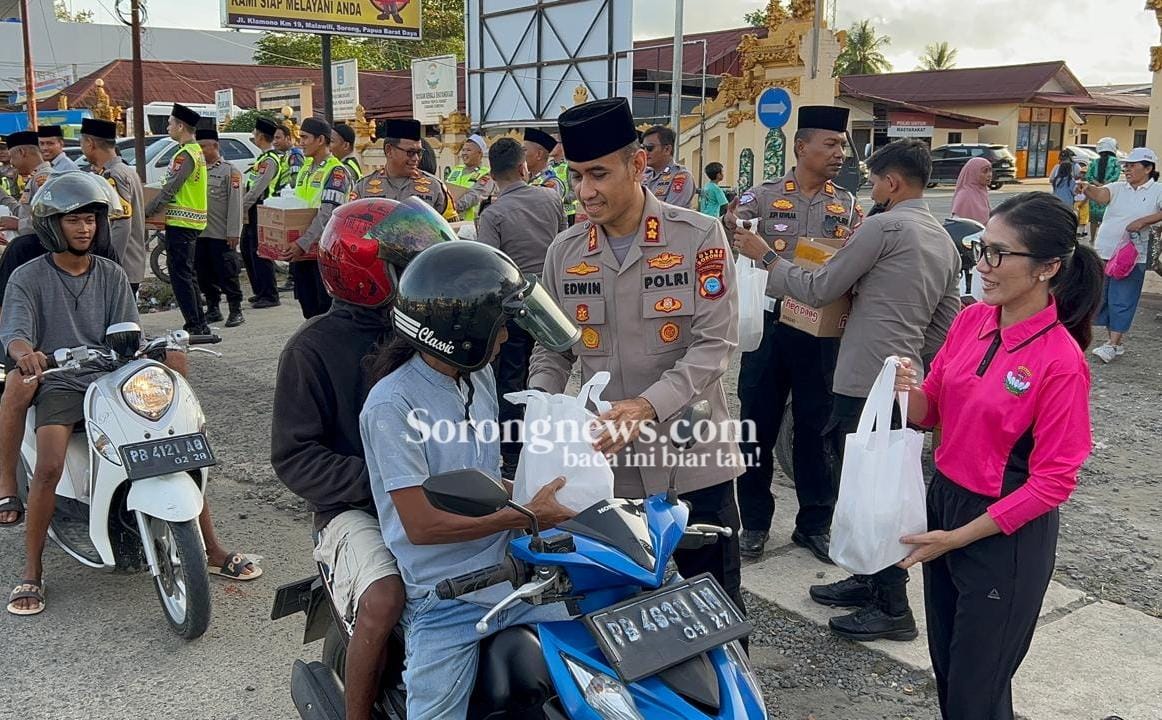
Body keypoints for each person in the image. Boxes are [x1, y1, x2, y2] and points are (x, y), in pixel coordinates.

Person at [733, 138, 961, 641]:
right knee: (879, 481)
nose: (871, 189)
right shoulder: (942, 239)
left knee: (867, 487)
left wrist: (765, 256)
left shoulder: (882, 226)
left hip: (863, 377)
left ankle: (892, 605)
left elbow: (820, 288)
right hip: (904, 381)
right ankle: (868, 579)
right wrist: (907, 361)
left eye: (875, 181)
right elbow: (946, 323)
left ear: (892, 183)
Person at [1, 173, 260, 615]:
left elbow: (128, 333)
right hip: (61, 380)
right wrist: (26, 355)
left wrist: (163, 349)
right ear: (51, 225)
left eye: (90, 220)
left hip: (113, 377)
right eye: (73, 221)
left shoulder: (112, 273)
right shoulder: (28, 277)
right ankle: (32, 570)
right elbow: (16, 333)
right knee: (49, 466)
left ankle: (212, 548)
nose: (84, 229)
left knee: (178, 448)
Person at [528, 97, 747, 612]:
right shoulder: (565, 251)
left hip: (691, 458)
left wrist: (647, 406)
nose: (585, 191)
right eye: (576, 175)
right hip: (607, 470)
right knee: (615, 611)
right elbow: (552, 347)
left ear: (638, 165)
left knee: (715, 607)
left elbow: (714, 345)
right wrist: (540, 407)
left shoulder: (698, 236)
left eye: (598, 174)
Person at [893, 192, 1103, 720]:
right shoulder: (971, 322)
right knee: (949, 672)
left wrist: (959, 537)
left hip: (1002, 533)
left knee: (976, 692)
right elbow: (931, 410)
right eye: (980, 249)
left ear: (1047, 268)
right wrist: (902, 389)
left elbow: (1054, 481)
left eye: (998, 253)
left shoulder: (1060, 361)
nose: (982, 266)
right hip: (946, 505)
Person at [362, 239, 578, 720]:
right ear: (465, 332)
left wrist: (555, 494)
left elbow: (483, 477)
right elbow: (421, 525)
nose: (506, 337)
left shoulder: (476, 377)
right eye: (501, 326)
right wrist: (524, 515)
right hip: (447, 597)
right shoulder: (392, 405)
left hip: (513, 573)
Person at [273, 196, 450, 720]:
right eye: (408, 267)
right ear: (366, 272)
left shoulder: (427, 332)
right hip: (353, 508)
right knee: (384, 597)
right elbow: (295, 456)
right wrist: (385, 480)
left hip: (437, 491)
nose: (422, 278)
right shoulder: (311, 349)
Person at [728, 105, 863, 563]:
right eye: (831, 144)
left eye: (842, 145)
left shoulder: (847, 205)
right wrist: (733, 227)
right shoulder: (762, 197)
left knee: (815, 428)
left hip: (819, 331)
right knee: (756, 427)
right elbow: (730, 228)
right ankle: (754, 523)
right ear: (802, 147)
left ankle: (814, 524)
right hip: (769, 326)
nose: (840, 153)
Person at [475, 137, 567, 472]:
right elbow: (563, 244)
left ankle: (514, 456)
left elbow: (489, 267)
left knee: (511, 380)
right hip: (550, 302)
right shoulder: (551, 198)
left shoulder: (493, 215)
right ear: (523, 167)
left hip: (514, 307)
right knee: (550, 373)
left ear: (491, 173)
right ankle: (548, 445)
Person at [1077, 146, 1162, 363]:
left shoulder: (1157, 190)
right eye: (1126, 166)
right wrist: (1087, 188)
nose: (1127, 169)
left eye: (1132, 166)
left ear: (1148, 168)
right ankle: (1113, 341)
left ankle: (1113, 344)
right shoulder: (1117, 187)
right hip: (1105, 251)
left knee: (1123, 297)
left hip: (1132, 257)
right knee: (1103, 297)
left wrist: (1143, 221)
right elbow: (1101, 195)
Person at [143, 103, 210, 335]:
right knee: (187, 275)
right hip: (190, 222)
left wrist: (149, 210)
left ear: (181, 126)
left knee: (181, 277)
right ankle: (198, 323)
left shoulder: (185, 154)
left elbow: (171, 188)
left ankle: (195, 325)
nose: (168, 127)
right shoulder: (194, 151)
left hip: (182, 223)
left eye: (170, 123)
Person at [286, 117, 353, 320]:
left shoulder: (336, 171)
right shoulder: (306, 168)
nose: (301, 142)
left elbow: (327, 214)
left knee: (326, 309)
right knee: (308, 306)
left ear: (321, 140)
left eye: (305, 137)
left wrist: (302, 243)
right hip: (303, 252)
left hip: (325, 253)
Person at [79, 118, 146, 295]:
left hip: (121, 265)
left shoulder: (113, 175)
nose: (82, 149)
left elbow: (121, 225)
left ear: (90, 143)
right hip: (129, 264)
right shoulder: (126, 170)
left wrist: (109, 265)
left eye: (82, 143)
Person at [352, 119, 458, 222]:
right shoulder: (363, 187)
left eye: (419, 153)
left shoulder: (435, 187)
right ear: (389, 150)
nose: (416, 158)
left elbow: (452, 228)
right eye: (410, 152)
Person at [194, 127, 245, 328]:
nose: (200, 151)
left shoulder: (230, 171)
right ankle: (213, 308)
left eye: (203, 147)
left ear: (215, 146)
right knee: (203, 273)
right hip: (200, 233)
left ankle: (236, 310)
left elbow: (235, 205)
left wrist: (233, 232)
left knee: (227, 273)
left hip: (221, 234)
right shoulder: (195, 171)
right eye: (198, 147)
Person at [241, 116, 281, 309]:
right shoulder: (262, 159)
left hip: (262, 210)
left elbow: (257, 190)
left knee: (260, 253)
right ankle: (260, 291)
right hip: (253, 210)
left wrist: (240, 208)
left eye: (255, 133)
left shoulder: (270, 161)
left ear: (261, 137)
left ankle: (270, 294)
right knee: (248, 250)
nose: (253, 136)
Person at [0, 131, 52, 241]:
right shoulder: (35, 177)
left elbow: (50, 220)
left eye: (12, 157)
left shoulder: (43, 178)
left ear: (22, 152)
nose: (11, 162)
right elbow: (23, 212)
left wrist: (19, 224)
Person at [642, 125, 696, 208]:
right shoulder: (644, 176)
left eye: (650, 148)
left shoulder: (681, 176)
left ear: (667, 149)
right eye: (643, 148)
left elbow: (671, 212)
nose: (645, 152)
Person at [446, 134, 492, 221]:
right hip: (451, 220)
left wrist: (451, 208)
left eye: (468, 150)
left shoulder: (485, 174)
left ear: (480, 153)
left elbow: (474, 196)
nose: (464, 153)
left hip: (469, 224)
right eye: (463, 150)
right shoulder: (456, 170)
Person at [1086, 137, 1121, 241]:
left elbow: (1088, 176)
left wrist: (1097, 184)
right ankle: (1101, 238)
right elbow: (1116, 176)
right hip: (1108, 192)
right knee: (1105, 218)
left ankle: (1092, 239)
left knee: (1093, 218)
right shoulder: (1115, 162)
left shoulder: (1094, 161)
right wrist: (1105, 184)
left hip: (1094, 191)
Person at [523, 128, 566, 201]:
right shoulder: (525, 178)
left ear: (539, 154)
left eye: (524, 150)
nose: (521, 155)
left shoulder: (550, 183)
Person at [949, 156, 992, 225]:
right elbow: (958, 224)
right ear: (973, 173)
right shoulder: (965, 195)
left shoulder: (981, 192)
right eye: (985, 171)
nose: (989, 175)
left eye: (990, 170)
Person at [549, 135, 578, 226]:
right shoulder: (548, 166)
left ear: (562, 145)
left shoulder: (569, 165)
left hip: (568, 212)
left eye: (552, 142)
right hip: (552, 212)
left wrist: (559, 199)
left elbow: (575, 191)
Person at [275, 123, 305, 191]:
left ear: (287, 138)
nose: (275, 141)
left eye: (278, 138)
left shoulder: (294, 154)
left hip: (287, 193)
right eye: (273, 138)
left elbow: (296, 180)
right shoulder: (286, 154)